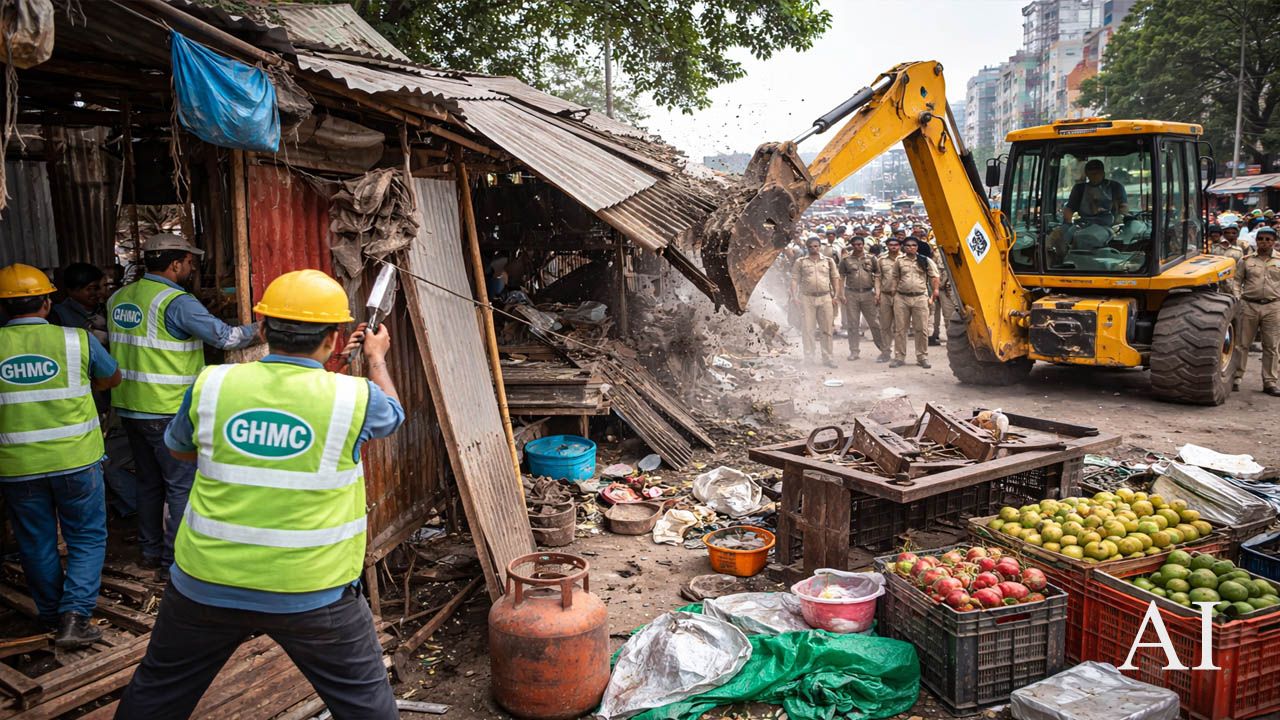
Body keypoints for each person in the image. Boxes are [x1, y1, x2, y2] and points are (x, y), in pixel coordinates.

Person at [115, 270, 404, 719]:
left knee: (157, 692)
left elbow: (179, 450)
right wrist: (377, 358)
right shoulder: (355, 397)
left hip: (205, 584)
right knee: (366, 705)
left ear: (264, 329)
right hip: (313, 591)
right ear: (334, 337)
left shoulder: (212, 383)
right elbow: (394, 415)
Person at [107, 234, 259, 581]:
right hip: (167, 409)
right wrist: (265, 329)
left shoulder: (119, 297)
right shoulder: (176, 301)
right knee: (179, 485)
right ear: (175, 264)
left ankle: (148, 553)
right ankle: (173, 562)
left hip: (130, 407)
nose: (193, 269)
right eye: (190, 263)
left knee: (148, 483)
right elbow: (226, 338)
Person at [0, 264, 121, 647]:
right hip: (76, 460)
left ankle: (52, 615)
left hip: (17, 465)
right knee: (86, 537)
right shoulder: (76, 341)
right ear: (48, 302)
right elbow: (113, 377)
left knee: (35, 541)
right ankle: (75, 617)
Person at [1233, 226, 1280, 395]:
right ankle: (1236, 378)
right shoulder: (1246, 260)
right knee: (1241, 344)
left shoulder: (1279, 260)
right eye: (1261, 239)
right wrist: (1238, 298)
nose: (1264, 242)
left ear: (1273, 241)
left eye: (1268, 239)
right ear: (1256, 240)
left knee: (1271, 346)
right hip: (1249, 306)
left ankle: (1270, 382)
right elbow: (1237, 281)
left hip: (1273, 307)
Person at [890, 238, 940, 368]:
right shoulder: (899, 261)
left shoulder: (925, 260)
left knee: (922, 329)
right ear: (904, 247)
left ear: (917, 247)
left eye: (913, 245)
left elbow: (934, 276)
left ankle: (922, 357)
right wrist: (894, 292)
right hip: (902, 298)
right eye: (907, 245)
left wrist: (934, 292)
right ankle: (899, 357)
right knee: (900, 329)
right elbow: (895, 276)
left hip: (920, 298)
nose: (910, 247)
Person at [790, 236, 839, 368]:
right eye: (811, 246)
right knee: (808, 329)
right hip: (807, 298)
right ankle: (809, 358)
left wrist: (836, 295)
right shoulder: (801, 262)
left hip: (825, 297)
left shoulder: (828, 261)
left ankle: (828, 358)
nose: (814, 249)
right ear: (807, 247)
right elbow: (794, 279)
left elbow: (835, 278)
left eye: (816, 246)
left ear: (820, 247)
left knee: (827, 329)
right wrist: (794, 296)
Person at [838, 240, 884, 360]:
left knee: (874, 323)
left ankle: (884, 350)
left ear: (863, 245)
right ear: (852, 246)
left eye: (859, 244)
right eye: (854, 245)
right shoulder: (846, 260)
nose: (857, 247)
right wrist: (841, 294)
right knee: (853, 324)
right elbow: (841, 277)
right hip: (851, 294)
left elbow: (878, 275)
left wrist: (877, 292)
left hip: (868, 293)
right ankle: (854, 351)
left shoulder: (872, 259)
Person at [51, 263, 109, 343]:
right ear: (71, 290)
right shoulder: (57, 315)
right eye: (92, 288)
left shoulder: (107, 311)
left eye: (103, 287)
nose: (100, 292)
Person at [874, 237, 901, 362]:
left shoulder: (904, 259)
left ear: (899, 246)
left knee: (900, 326)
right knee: (885, 325)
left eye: (896, 244)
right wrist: (877, 294)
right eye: (891, 244)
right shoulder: (881, 260)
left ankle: (899, 353)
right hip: (885, 295)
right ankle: (885, 352)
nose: (894, 246)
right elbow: (878, 278)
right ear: (887, 246)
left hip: (901, 296)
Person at [1209, 227, 1243, 298]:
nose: (1231, 235)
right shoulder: (1213, 248)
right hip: (1216, 281)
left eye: (1233, 233)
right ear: (1223, 234)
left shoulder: (1241, 248)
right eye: (1227, 233)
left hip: (1232, 282)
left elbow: (1241, 268)